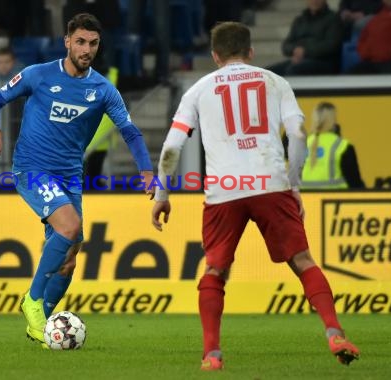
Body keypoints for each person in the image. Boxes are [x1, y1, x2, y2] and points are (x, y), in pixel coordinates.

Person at [151, 21, 360, 371]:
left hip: (224, 190)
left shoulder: (199, 88)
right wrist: (292, 185)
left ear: (215, 55)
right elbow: (297, 135)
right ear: (251, 52)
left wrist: (162, 192)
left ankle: (211, 355)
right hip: (270, 183)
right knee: (303, 261)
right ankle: (334, 331)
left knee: (215, 270)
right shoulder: (276, 82)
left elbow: (173, 145)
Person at [0, 13, 154, 346]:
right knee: (69, 227)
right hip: (32, 169)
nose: (86, 49)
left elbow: (129, 131)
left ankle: (42, 326)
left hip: (70, 176)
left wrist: (147, 170)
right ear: (67, 41)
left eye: (93, 43)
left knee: (70, 258)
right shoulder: (38, 75)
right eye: (80, 42)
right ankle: (32, 301)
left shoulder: (103, 89)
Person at [265, 0, 343, 76]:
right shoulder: (300, 20)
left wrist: (305, 51)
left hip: (323, 61)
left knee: (293, 70)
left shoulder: (333, 18)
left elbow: (331, 45)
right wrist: (295, 50)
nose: (314, 1)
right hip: (299, 60)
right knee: (267, 73)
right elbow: (286, 45)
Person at [301, 102, 365, 189]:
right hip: (334, 200)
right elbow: (355, 183)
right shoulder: (342, 146)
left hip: (306, 200)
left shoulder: (303, 144)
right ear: (334, 120)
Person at [348, 0, 391, 74]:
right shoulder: (380, 14)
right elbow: (363, 38)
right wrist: (367, 53)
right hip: (371, 62)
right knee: (346, 80)